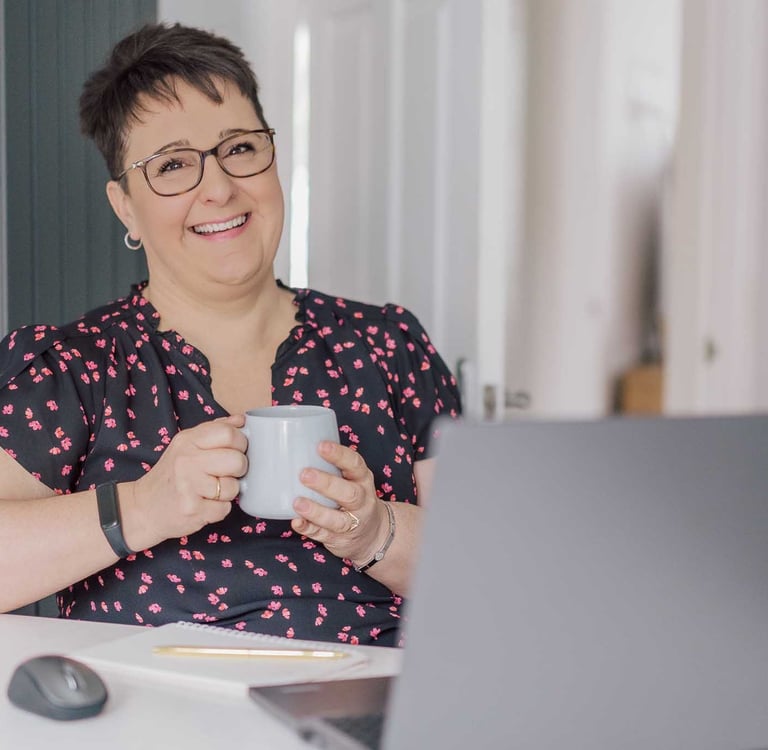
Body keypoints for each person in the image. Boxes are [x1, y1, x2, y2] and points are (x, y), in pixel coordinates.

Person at [0, 22, 460, 647]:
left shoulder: (388, 345)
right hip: (156, 720)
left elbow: (482, 573)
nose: (218, 188)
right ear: (125, 206)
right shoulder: (74, 369)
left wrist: (373, 530)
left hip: (368, 710)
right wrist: (139, 508)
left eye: (239, 148)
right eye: (172, 165)